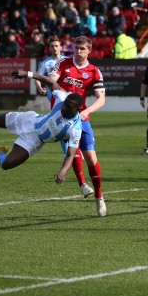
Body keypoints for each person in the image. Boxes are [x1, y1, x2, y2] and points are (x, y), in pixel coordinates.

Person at [46, 36, 107, 217]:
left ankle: (99, 196)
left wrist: (87, 112)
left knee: (91, 158)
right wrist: (61, 96)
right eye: (77, 48)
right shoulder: (63, 64)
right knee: (72, 148)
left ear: (89, 50)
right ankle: (81, 182)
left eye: (82, 48)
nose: (79, 51)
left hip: (81, 117)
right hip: (61, 117)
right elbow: (51, 80)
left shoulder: (94, 71)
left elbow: (101, 99)